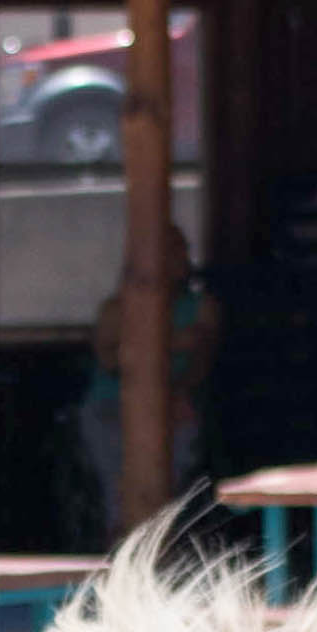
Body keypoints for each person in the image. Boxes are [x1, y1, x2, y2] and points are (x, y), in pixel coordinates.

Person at [75, 225, 220, 537]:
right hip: (112, 403)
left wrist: (176, 393)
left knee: (180, 441)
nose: (178, 260)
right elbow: (108, 359)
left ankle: (160, 530)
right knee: (112, 443)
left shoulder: (202, 306)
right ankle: (121, 529)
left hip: (176, 400)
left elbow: (201, 358)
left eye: (181, 251)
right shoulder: (114, 309)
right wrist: (161, 344)